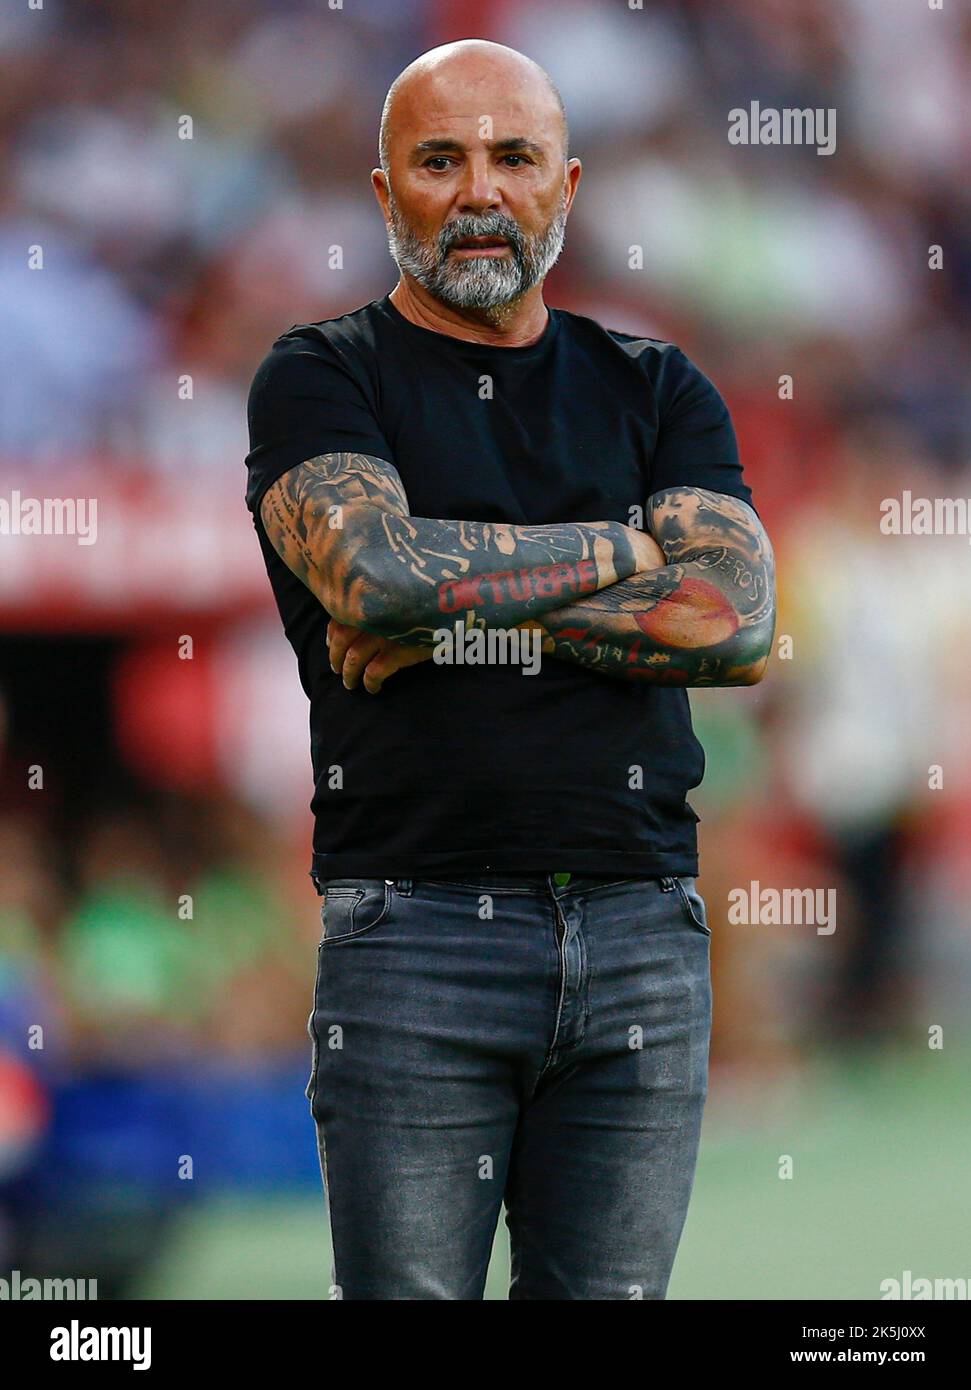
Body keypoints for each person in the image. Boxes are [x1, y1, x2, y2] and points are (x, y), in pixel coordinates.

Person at [244, 38, 775, 1300]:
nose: (479, 190)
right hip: (413, 929)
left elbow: (739, 621)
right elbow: (375, 578)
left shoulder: (658, 386)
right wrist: (631, 546)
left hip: (643, 922)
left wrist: (468, 612)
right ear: (385, 193)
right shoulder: (321, 375)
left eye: (513, 157)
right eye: (441, 159)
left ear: (567, 187)